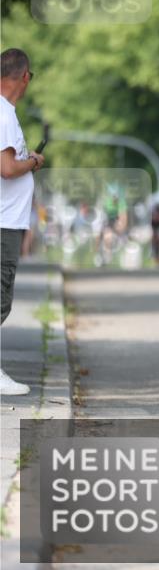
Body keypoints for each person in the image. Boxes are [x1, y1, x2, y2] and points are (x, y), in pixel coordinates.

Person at [1, 48, 44, 395]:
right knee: (0, 298)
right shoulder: (2, 114)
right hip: (3, 223)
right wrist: (32, 162)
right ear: (24, 76)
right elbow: (7, 168)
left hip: (7, 220)